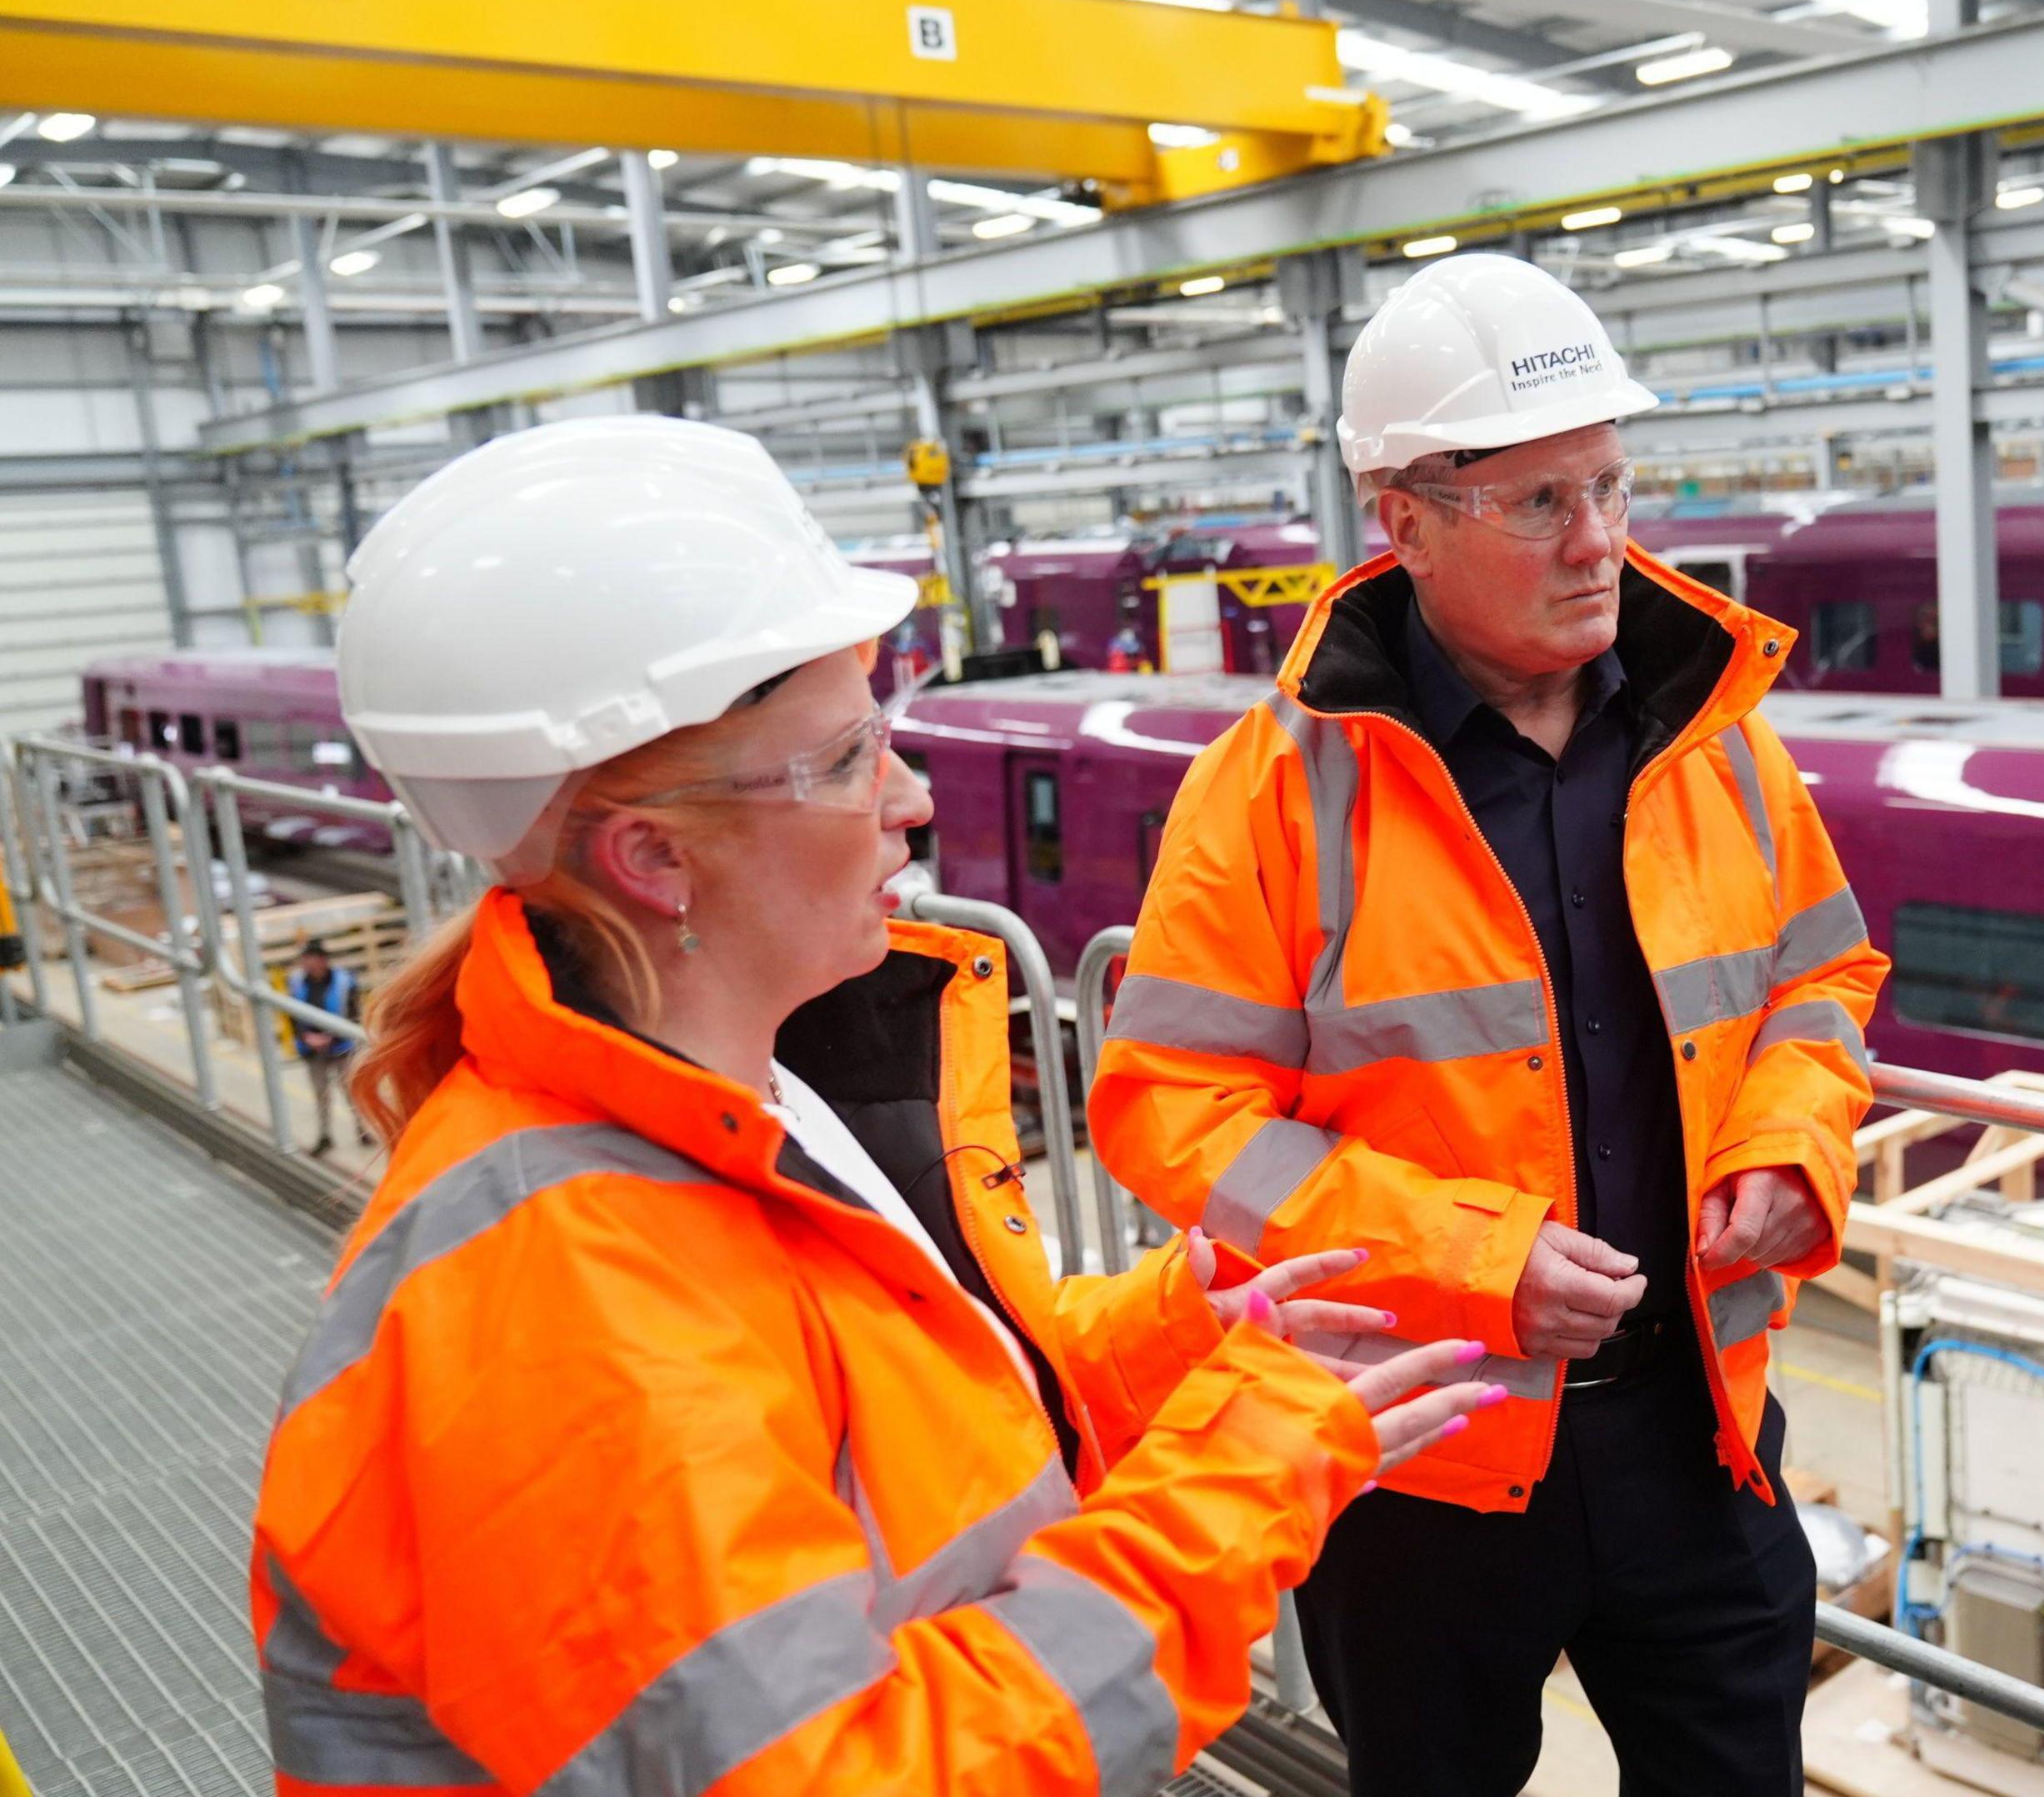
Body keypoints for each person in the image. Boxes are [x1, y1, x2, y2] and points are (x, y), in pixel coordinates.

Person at [250, 416, 1498, 1797]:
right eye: (846, 757)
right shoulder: (570, 1297)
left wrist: (1166, 1346)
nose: (907, 797)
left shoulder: (742, 1099)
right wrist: (1243, 1479)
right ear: (656, 855)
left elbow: (883, 1446)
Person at [1091, 253, 1888, 1795]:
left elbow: (1822, 978)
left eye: (1610, 485)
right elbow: (1169, 1106)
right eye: (1538, 504)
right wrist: (1464, 1257)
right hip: (1420, 1457)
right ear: (1404, 520)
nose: (1599, 543)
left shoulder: (1714, 741)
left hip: (1701, 1429)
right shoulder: (1275, 791)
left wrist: (1795, 1143)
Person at [283, 940, 358, 1154]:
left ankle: (361, 1130)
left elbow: (353, 1014)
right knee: (321, 1095)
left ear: (322, 960)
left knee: (350, 1092)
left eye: (310, 958)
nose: (305, 963)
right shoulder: (297, 983)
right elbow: (291, 1016)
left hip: (341, 1048)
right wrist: (306, 1038)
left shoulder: (345, 982)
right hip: (313, 1051)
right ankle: (325, 1135)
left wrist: (331, 1038)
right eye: (304, 959)